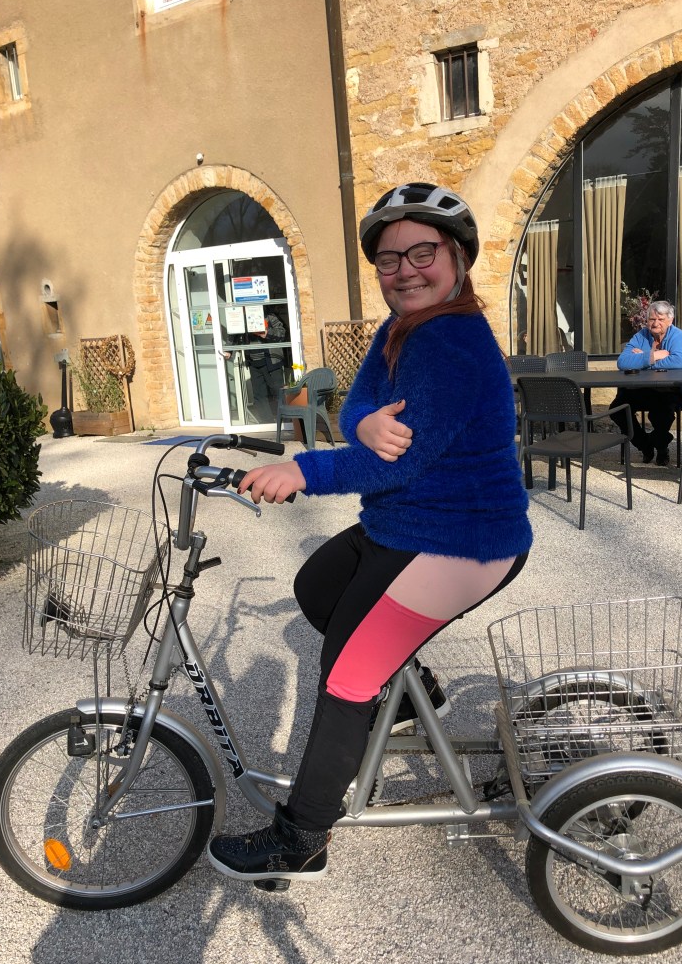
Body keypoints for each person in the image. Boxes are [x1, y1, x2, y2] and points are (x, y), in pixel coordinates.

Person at [207, 183, 533, 883]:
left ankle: (302, 837)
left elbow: (399, 461)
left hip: (462, 541)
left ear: (459, 258)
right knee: (316, 586)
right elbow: (356, 403)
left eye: (423, 253)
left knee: (347, 675)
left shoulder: (452, 343)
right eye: (389, 259)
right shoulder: (400, 327)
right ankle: (411, 688)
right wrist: (362, 422)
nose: (405, 271)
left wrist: (303, 471)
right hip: (404, 524)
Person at [609, 300, 682, 467]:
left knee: (661, 411)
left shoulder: (677, 335)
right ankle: (645, 445)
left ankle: (661, 447)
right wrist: (654, 356)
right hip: (642, 389)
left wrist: (642, 361)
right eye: (652, 319)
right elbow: (622, 362)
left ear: (670, 320)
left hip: (671, 390)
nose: (655, 323)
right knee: (617, 409)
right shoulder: (641, 335)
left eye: (661, 319)